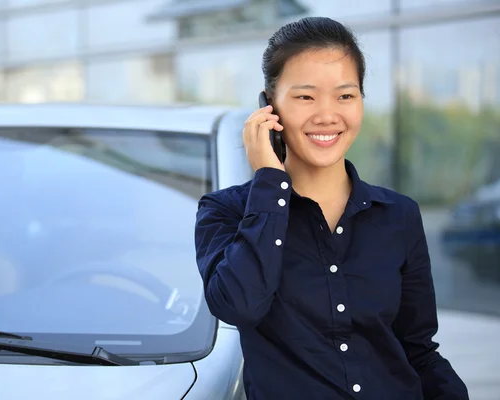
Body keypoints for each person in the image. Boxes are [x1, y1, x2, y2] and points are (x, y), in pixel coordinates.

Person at [194, 16, 469, 400]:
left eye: (345, 95)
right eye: (305, 96)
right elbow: (240, 306)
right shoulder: (226, 212)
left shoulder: (399, 215)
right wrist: (270, 183)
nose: (327, 114)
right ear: (269, 106)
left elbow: (418, 350)